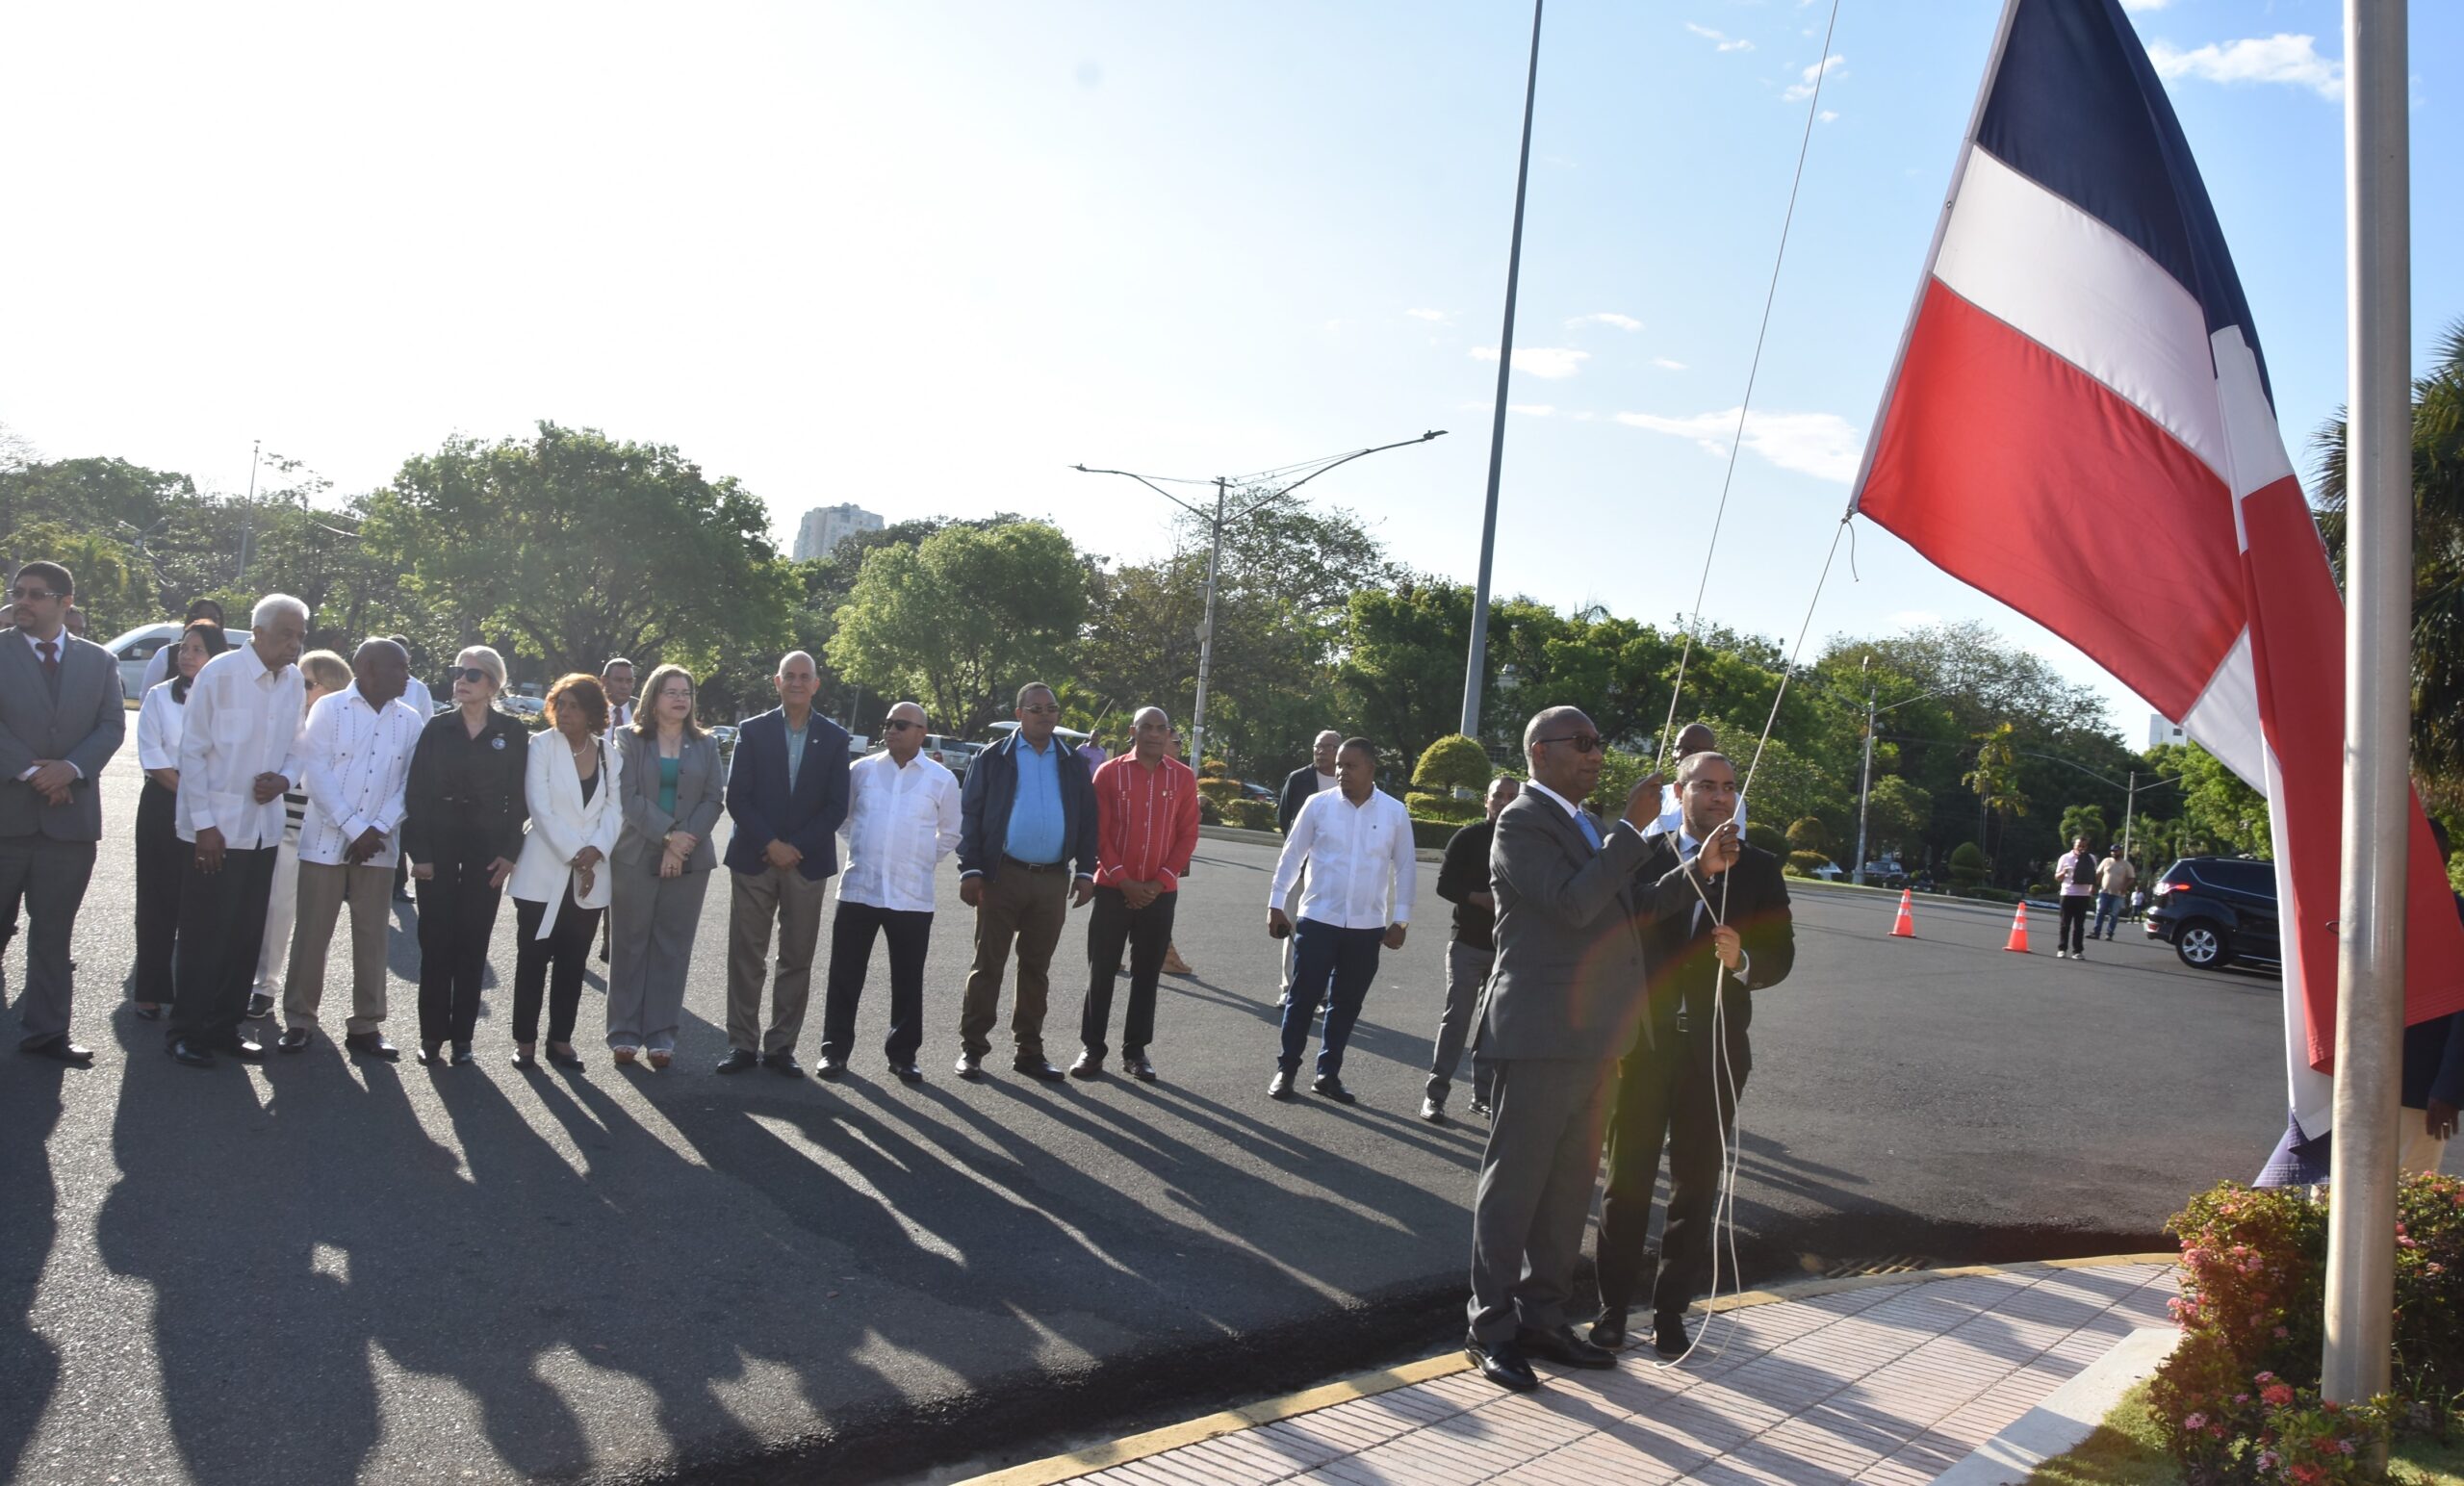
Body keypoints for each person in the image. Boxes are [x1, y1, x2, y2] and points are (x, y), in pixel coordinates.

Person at [1464, 705, 1693, 1391]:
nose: (1596, 754)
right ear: (1539, 750)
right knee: (1515, 1187)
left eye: (1598, 743)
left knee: (1567, 1191)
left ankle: (1543, 1317)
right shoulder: (1522, 821)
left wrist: (1697, 868)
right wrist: (1629, 830)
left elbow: (1630, 908)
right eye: (1583, 743)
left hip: (1596, 1036)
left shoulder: (1585, 825)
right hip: (1538, 1032)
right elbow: (1570, 905)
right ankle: (1491, 1328)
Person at [1591, 749, 1794, 1358]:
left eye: (1729, 787)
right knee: (1625, 1186)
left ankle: (1671, 1311)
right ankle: (1610, 1311)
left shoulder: (1759, 868)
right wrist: (1698, 874)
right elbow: (1614, 936)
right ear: (1678, 794)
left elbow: (1780, 956)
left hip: (1715, 1053)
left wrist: (1744, 963)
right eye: (1705, 786)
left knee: (1695, 1188)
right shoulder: (1643, 859)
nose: (1719, 797)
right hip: (1642, 1051)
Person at [167, 594, 310, 1068]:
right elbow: (192, 753)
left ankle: (224, 1027)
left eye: (300, 636)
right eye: (286, 634)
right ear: (258, 633)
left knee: (246, 933)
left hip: (264, 831)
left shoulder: (292, 682)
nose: (294, 644)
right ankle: (186, 1031)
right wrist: (205, 826)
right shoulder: (221, 673)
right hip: (216, 831)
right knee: (205, 934)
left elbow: (297, 745)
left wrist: (285, 778)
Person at [0, 561, 125, 1065]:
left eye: (36, 594)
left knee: (53, 934)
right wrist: (33, 773)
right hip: (7, 819)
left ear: (65, 602)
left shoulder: (98, 662)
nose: (23, 601)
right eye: (17, 592)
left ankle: (47, 1032)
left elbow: (112, 726)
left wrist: (70, 769)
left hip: (69, 825)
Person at [278, 639, 420, 1059]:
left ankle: (366, 1025)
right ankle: (300, 1020)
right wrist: (354, 828)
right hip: (325, 840)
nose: (407, 674)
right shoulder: (330, 709)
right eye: (400, 667)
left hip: (379, 846)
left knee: (373, 936)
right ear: (369, 669)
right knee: (312, 934)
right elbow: (315, 773)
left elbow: (411, 783)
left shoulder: (410, 719)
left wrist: (375, 829)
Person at [955, 681, 1098, 1081]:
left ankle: (1029, 1052)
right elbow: (970, 815)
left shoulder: (1072, 761)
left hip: (1052, 880)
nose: (1045, 714)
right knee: (988, 965)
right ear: (1019, 714)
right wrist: (971, 869)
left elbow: (1088, 820)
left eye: (1051, 708)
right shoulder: (993, 757)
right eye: (1036, 709)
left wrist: (1086, 871)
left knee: (1036, 969)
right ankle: (973, 1049)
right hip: (1002, 876)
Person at [718, 651, 852, 1077]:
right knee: (747, 955)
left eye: (804, 676)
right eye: (789, 676)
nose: (796, 682)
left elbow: (836, 807)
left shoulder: (834, 738)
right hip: (755, 859)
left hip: (805, 864)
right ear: (776, 682)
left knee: (796, 957)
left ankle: (780, 1047)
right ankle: (741, 1043)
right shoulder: (752, 731)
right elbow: (736, 796)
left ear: (816, 684)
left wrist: (794, 847)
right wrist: (771, 844)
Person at [1265, 736, 1415, 1104]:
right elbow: (1291, 857)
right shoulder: (1318, 806)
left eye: (1350, 765)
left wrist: (1401, 921)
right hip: (1318, 918)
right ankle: (1287, 1069)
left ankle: (1327, 1074)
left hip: (1367, 927)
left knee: (1346, 1004)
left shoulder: (1394, 812)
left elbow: (1406, 868)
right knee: (1303, 998)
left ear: (1371, 768)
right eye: (1339, 766)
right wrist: (1275, 904)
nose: (1341, 772)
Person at [818, 701, 960, 1081]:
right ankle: (834, 1051)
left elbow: (950, 834)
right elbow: (844, 820)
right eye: (888, 723)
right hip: (859, 889)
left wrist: (917, 860)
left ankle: (903, 1055)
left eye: (901, 724)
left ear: (921, 733)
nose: (891, 729)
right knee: (845, 975)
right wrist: (866, 850)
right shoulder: (860, 771)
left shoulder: (941, 779)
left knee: (908, 979)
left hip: (911, 895)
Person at [402, 645, 528, 1066]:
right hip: (438, 847)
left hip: (487, 853)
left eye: (472, 675)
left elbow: (520, 799)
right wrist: (419, 853)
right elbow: (416, 793)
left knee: (473, 945)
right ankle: (432, 1036)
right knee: (436, 945)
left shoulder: (511, 732)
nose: (460, 680)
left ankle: (463, 1040)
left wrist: (511, 852)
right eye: (457, 672)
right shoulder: (437, 728)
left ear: (492, 684)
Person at [1072, 705, 1200, 1083]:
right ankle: (1092, 1048)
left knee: (1147, 975)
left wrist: (1157, 883)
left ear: (1169, 733)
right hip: (1113, 889)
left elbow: (1187, 834)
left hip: (1160, 894)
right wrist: (1124, 880)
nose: (1155, 734)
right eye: (1147, 727)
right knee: (1103, 971)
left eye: (1162, 728)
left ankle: (1136, 1052)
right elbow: (1099, 832)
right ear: (1134, 731)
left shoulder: (1182, 778)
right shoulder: (1110, 774)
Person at [608, 663, 724, 1068]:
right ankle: (624, 1031)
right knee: (630, 942)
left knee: (672, 947)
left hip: (690, 861)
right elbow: (627, 796)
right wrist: (668, 838)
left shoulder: (706, 744)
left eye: (686, 692)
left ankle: (661, 1034)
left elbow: (714, 799)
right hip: (635, 855)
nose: (680, 699)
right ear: (653, 697)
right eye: (671, 691)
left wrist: (680, 846)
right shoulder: (628, 739)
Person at [506, 674, 622, 1071]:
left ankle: (561, 1040)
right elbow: (540, 807)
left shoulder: (609, 752)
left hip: (592, 875)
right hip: (542, 871)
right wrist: (577, 853)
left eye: (575, 705)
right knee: (533, 959)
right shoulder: (541, 746)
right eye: (560, 704)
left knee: (574, 962)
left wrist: (597, 850)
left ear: (593, 712)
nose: (566, 712)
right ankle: (525, 1041)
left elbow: (614, 809)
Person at [248, 649, 351, 1021]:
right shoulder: (288, 721)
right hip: (278, 828)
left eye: (307, 683)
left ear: (330, 689)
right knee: (270, 912)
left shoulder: (340, 727)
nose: (298, 688)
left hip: (319, 835)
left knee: (309, 923)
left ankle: (289, 994)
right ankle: (262, 986)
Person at [132, 619, 224, 1019]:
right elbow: (154, 759)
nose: (187, 655)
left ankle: (196, 994)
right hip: (163, 805)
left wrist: (204, 803)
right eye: (184, 648)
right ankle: (150, 990)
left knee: (203, 905)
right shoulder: (157, 696)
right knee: (157, 900)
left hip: (215, 811)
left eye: (198, 649)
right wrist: (193, 795)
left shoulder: (229, 700)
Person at [1421, 774, 1519, 1124]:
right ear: (1486, 800)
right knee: (1456, 1020)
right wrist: (1480, 899)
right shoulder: (1468, 837)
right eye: (1498, 796)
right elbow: (1445, 885)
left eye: (1511, 796)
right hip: (1466, 944)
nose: (1504, 802)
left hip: (1507, 949)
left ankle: (1483, 1096)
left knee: (1494, 1028)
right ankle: (1435, 1095)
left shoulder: (1527, 841)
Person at [1272, 729, 1343, 1011]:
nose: (1321, 751)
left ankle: (1324, 993)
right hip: (1300, 870)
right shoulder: (1298, 779)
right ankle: (1289, 990)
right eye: (1318, 745)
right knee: (1292, 928)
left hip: (1335, 873)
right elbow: (1285, 818)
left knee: (1329, 933)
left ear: (1340, 750)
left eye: (1328, 746)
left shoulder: (1349, 781)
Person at [595, 656, 637, 960]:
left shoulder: (643, 714)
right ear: (604, 681)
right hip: (590, 806)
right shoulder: (591, 711)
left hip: (627, 810)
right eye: (618, 680)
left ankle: (611, 944)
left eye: (629, 681)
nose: (623, 686)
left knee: (619, 881)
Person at [140, 598, 229, 694]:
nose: (205, 622)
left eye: (213, 618)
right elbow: (146, 696)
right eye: (199, 617)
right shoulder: (166, 655)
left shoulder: (230, 661)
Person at [2053, 835, 2095, 959]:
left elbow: (2093, 875)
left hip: (2083, 895)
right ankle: (2062, 949)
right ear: (2074, 846)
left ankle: (2077, 951)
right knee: (2065, 923)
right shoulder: (2065, 857)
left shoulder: (2091, 858)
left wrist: (2092, 886)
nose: (2081, 848)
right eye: (2079, 846)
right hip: (2068, 894)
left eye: (2084, 846)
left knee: (2079, 925)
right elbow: (2057, 877)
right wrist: (2063, 872)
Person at [2092, 846, 2135, 940]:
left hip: (2118, 894)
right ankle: (2096, 932)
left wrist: (2125, 886)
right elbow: (2098, 873)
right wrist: (2094, 885)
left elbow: (2131, 878)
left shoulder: (2126, 864)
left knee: (2114, 914)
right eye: (2112, 851)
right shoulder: (2106, 861)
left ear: (2120, 852)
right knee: (2100, 912)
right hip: (2104, 892)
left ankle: (2109, 934)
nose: (2114, 853)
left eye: (2116, 851)